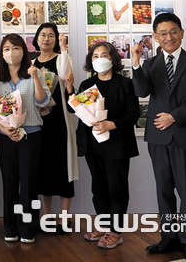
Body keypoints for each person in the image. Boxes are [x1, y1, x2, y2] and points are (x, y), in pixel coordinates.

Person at [132, 13, 186, 262]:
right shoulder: (150, 64)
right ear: (155, 37)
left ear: (182, 33)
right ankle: (168, 237)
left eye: (173, 31)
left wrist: (173, 117)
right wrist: (135, 63)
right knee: (163, 190)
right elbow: (141, 91)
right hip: (158, 137)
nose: (169, 37)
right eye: (163, 33)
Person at [66, 41, 139, 249]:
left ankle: (115, 231)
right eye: (95, 56)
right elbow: (75, 110)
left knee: (116, 187)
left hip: (117, 143)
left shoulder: (125, 84)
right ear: (91, 61)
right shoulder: (87, 85)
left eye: (104, 55)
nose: (100, 59)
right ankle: (103, 224)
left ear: (112, 58)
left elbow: (133, 114)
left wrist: (112, 124)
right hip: (92, 143)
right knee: (98, 187)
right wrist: (70, 88)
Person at [0, 34, 50, 244]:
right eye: (6, 49)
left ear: (23, 51)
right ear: (1, 53)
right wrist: (4, 129)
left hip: (31, 135)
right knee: (9, 183)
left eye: (15, 48)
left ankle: (28, 227)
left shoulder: (34, 73)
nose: (11, 52)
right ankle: (10, 227)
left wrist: (35, 77)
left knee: (29, 183)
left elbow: (43, 102)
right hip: (6, 137)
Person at [32, 24, 78, 235]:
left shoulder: (62, 59)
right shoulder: (30, 63)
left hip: (60, 121)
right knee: (43, 169)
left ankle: (65, 218)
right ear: (36, 38)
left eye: (52, 35)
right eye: (43, 35)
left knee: (63, 167)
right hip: (39, 122)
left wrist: (64, 48)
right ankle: (46, 216)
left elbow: (63, 76)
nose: (47, 39)